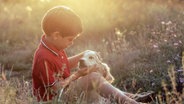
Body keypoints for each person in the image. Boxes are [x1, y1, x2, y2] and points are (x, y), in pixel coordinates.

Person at [32, 6, 151, 104]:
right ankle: (130, 103)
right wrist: (77, 75)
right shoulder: (43, 57)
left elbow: (61, 65)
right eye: (70, 39)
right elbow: (55, 88)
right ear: (56, 35)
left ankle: (133, 98)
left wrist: (82, 55)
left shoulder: (53, 45)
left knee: (93, 77)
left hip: (66, 91)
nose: (71, 43)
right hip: (56, 100)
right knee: (92, 77)